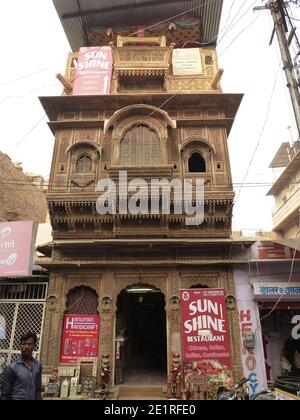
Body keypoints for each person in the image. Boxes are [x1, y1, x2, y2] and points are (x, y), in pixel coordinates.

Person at [1, 331, 42, 400]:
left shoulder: (37, 366)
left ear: (34, 346)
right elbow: (5, 394)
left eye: (29, 344)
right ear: (20, 346)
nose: (26, 347)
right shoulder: (12, 367)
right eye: (24, 344)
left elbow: (38, 389)